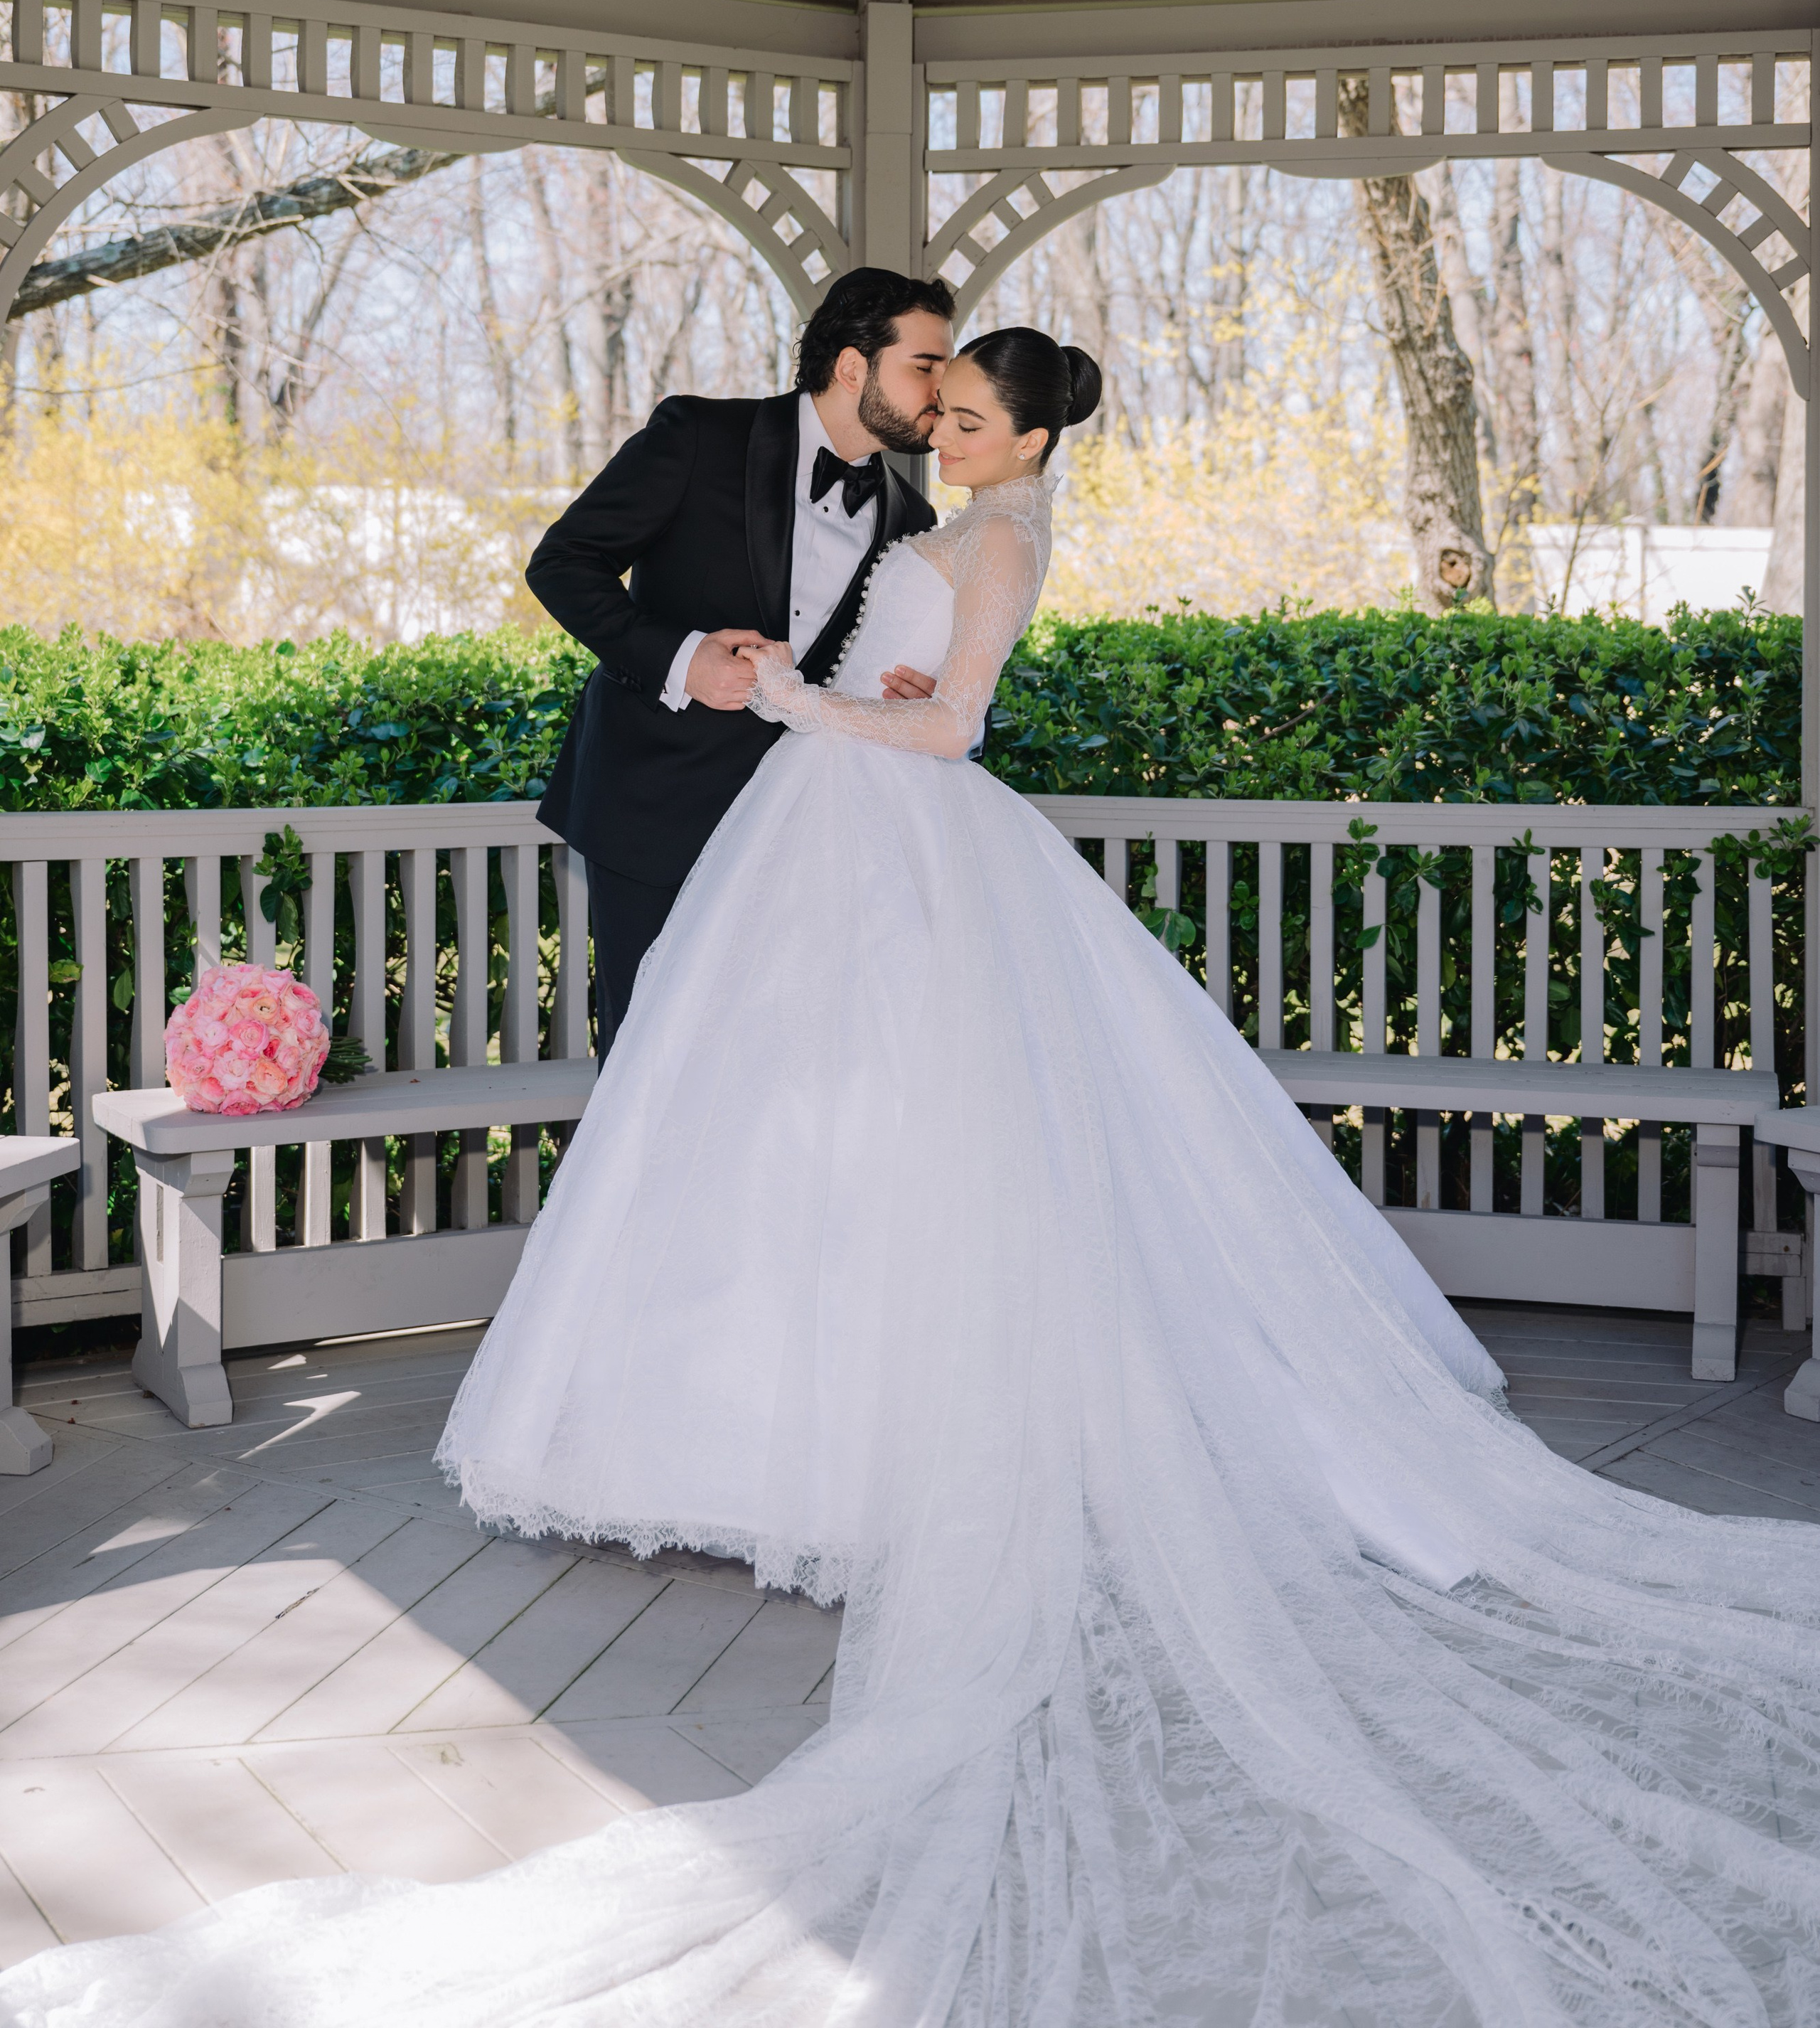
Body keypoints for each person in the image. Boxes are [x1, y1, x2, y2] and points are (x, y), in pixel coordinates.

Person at [11, 329, 1820, 2027]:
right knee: (773, 1143)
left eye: (961, 419)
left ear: (1026, 438)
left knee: (923, 1156)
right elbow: (900, 675)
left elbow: (952, 728)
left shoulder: (1005, 536)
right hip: (818, 845)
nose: (933, 438)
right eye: (930, 407)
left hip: (893, 835)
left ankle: (882, 1455)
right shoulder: (940, 517)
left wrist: (801, 697)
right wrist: (830, 693)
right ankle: (741, 1439)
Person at [524, 265, 953, 1057]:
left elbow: (880, 681)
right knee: (649, 1052)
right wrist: (682, 660)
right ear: (853, 365)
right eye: (925, 365)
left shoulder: (915, 517)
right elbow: (563, 563)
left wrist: (911, 692)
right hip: (654, 806)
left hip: (803, 832)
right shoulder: (698, 436)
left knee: (767, 1065)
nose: (942, 386)